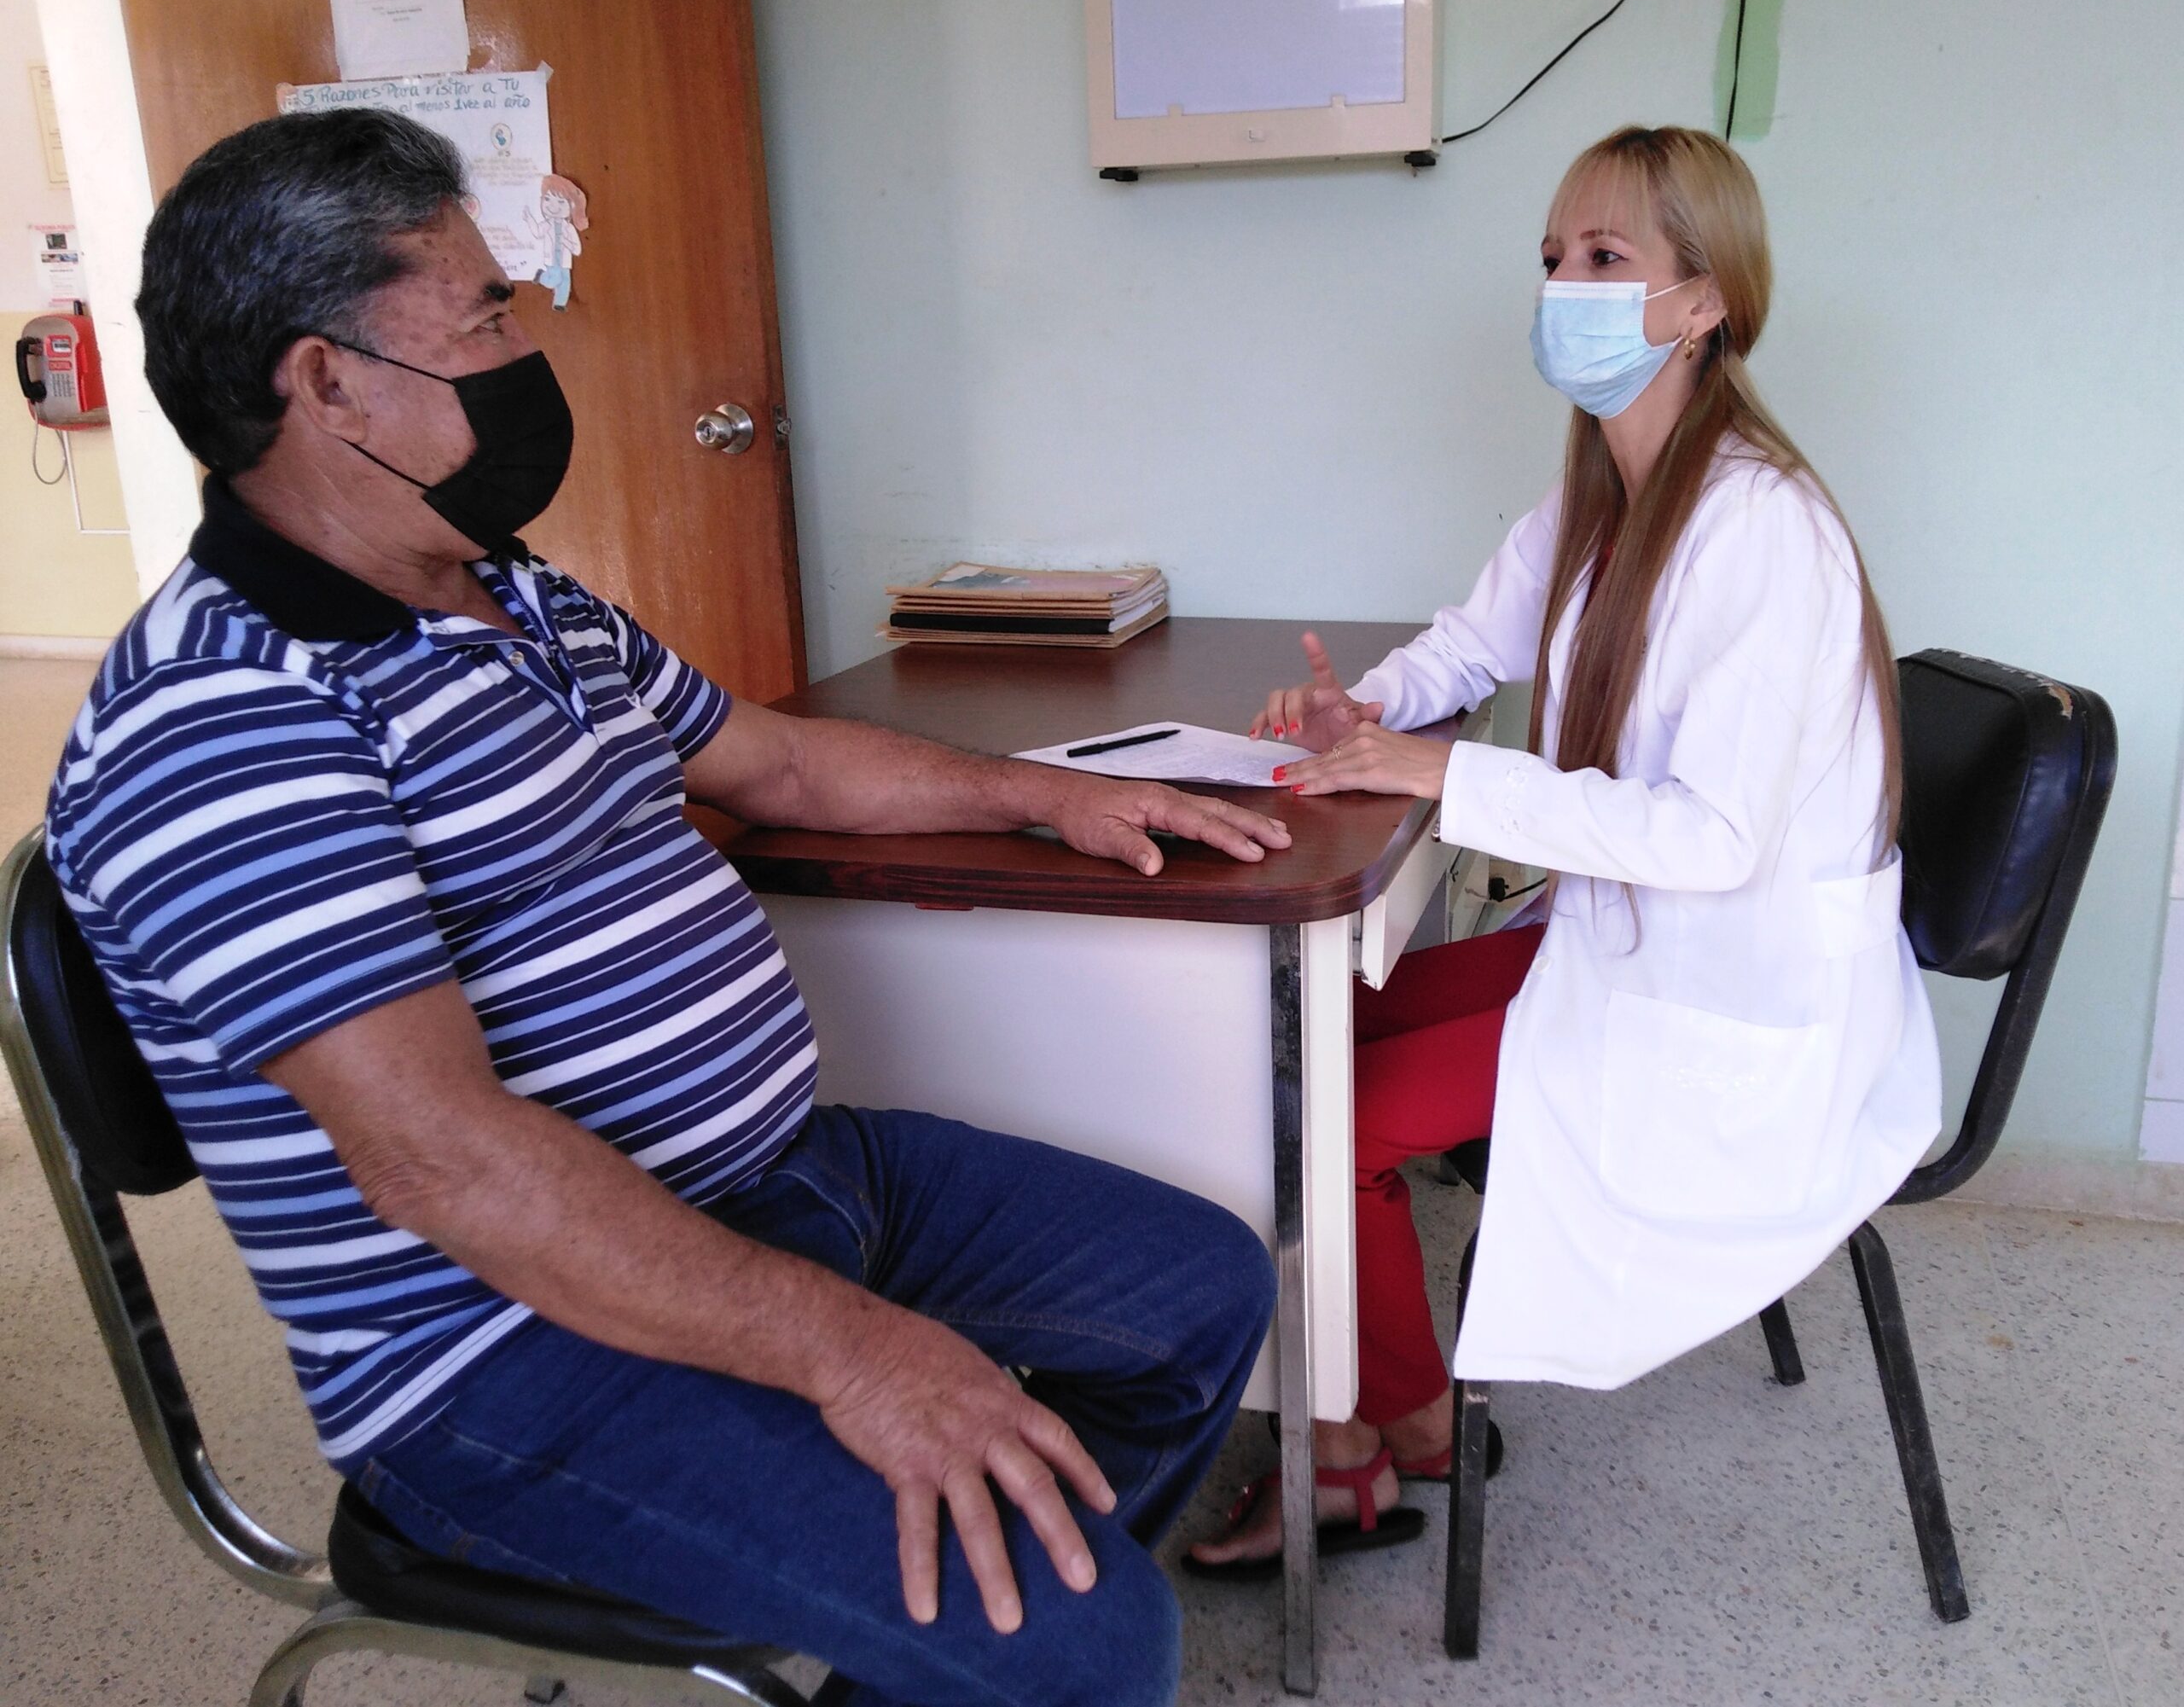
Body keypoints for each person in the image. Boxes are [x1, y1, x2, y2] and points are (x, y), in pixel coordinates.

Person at [47, 108, 1286, 1707]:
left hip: (773, 1177)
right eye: (483, 313)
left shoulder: (503, 580)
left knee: (1202, 1289)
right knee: (1091, 1645)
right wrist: (854, 1351)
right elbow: (450, 1163)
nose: (523, 343)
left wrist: (1045, 789)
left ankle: (939, 1640)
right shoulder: (219, 719)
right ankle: (1005, 1638)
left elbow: (767, 759)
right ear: (325, 380)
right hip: (499, 1348)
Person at [1187, 125, 1942, 1574]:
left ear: (1704, 300)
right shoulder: (1608, 490)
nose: (1565, 288)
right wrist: (1375, 706)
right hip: (1628, 950)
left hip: (1730, 1003)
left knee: (1319, 1128)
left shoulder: (1760, 528)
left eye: (1607, 260)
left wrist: (1447, 770)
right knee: (1306, 1034)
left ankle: (1371, 1436)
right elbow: (1475, 638)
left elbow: (1714, 841)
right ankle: (1387, 1414)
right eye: (1553, 259)